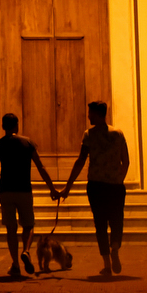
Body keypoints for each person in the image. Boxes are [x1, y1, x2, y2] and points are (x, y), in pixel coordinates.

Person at [60, 100, 130, 275]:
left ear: (98, 114)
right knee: (117, 220)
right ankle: (115, 248)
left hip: (96, 186)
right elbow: (126, 161)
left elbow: (81, 161)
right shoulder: (118, 134)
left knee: (100, 223)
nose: (88, 116)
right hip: (115, 186)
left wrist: (68, 186)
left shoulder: (89, 135)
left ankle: (106, 264)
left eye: (90, 113)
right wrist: (118, 178)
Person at [0, 113, 58, 276]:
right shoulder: (28, 143)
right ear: (17, 125)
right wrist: (52, 188)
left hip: (5, 191)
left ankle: (16, 264)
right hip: (24, 189)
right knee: (29, 225)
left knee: (11, 229)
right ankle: (26, 250)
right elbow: (41, 167)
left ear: (3, 126)